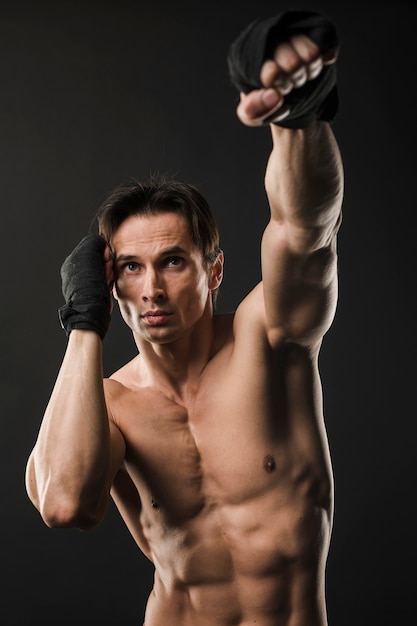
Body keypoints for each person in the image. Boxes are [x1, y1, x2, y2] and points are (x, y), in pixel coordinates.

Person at [25, 9, 344, 626]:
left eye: (172, 262)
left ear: (214, 272)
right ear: (111, 283)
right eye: (130, 269)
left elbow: (306, 230)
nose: (152, 290)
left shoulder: (270, 340)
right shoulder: (109, 403)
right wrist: (85, 322)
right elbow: (65, 504)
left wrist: (296, 118)